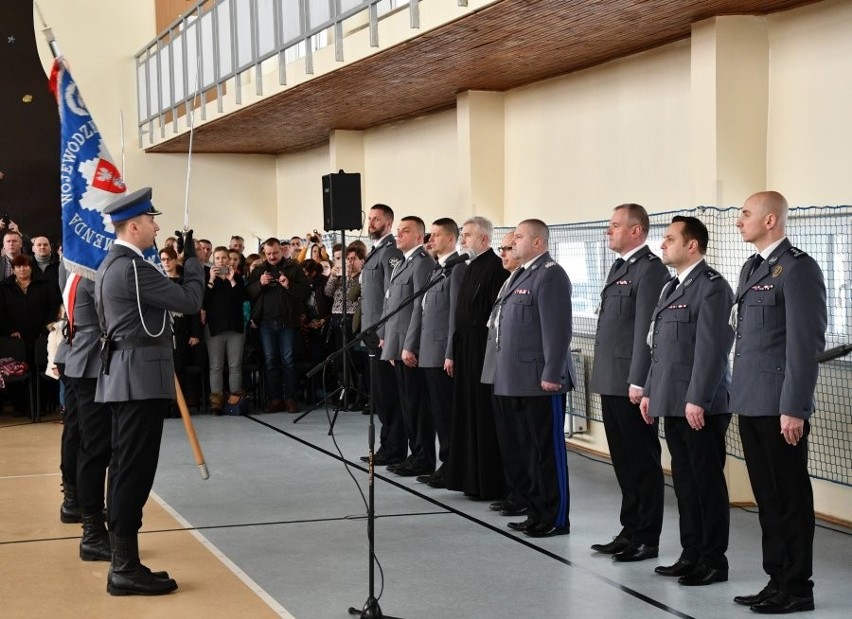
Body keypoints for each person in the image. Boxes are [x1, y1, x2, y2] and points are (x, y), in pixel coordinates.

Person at [95, 186, 204, 596]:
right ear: (135, 226)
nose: (157, 227)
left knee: (125, 468)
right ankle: (123, 567)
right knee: (133, 473)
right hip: (138, 379)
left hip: (126, 377)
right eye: (152, 221)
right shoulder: (133, 268)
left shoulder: (113, 263)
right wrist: (194, 261)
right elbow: (189, 301)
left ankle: (126, 562)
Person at [729, 191, 826, 614]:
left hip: (779, 404)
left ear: (771, 220)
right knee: (766, 498)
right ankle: (776, 578)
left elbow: (804, 345)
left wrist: (795, 407)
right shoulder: (752, 267)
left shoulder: (799, 269)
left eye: (746, 214)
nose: (739, 221)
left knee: (788, 498)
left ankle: (798, 587)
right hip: (750, 400)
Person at [640, 216, 734, 586]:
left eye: (669, 238)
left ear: (692, 245)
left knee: (706, 483)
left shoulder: (711, 287)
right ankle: (691, 552)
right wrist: (649, 389)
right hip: (672, 399)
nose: (662, 244)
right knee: (684, 481)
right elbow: (659, 347)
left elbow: (713, 350)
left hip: (701, 405)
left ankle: (713, 561)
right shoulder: (671, 288)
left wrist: (697, 398)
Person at [589, 203, 668, 561]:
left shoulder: (649, 271)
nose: (609, 231)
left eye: (615, 225)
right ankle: (629, 528)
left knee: (642, 461)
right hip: (611, 377)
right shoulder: (620, 268)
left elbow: (646, 333)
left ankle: (646, 537)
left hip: (631, 382)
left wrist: (639, 380)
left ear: (636, 231)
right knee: (622, 460)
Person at [493, 219, 574, 538]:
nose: (513, 243)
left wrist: (553, 371)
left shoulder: (551, 274)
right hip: (517, 379)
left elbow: (558, 330)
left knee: (547, 452)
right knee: (529, 450)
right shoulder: (523, 274)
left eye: (520, 237)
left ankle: (556, 517)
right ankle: (537, 511)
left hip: (542, 380)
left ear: (538, 242)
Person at [444, 217, 509, 500]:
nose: (462, 241)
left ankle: (488, 482)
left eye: (467, 236)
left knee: (483, 417)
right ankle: (469, 479)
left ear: (484, 240)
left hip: (483, 353)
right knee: (466, 416)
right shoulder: (467, 268)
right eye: (462, 235)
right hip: (465, 352)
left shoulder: (496, 268)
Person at [61, 264, 114, 562]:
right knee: (95, 448)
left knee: (90, 445)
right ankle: (92, 531)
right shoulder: (92, 277)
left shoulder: (78, 272)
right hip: (92, 363)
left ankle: (89, 517)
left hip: (84, 360)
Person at [381, 216, 435, 477]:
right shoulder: (402, 263)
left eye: (405, 231)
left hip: (409, 348)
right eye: (398, 231)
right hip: (397, 345)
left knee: (417, 405)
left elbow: (419, 307)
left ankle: (423, 457)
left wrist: (409, 347)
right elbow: (392, 306)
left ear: (418, 237)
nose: (398, 235)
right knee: (407, 404)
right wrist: (389, 343)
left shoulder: (422, 264)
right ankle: (415, 454)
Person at [358, 204, 406, 466]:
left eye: (376, 219)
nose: (371, 222)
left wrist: (387, 333)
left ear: (388, 223)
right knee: (380, 396)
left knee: (389, 397)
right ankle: (387, 446)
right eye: (370, 218)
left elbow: (393, 295)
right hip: (372, 334)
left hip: (384, 336)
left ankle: (394, 449)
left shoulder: (391, 253)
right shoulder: (375, 251)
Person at [482, 232, 525, 514]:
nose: (504, 253)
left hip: (523, 375)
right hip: (500, 369)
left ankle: (531, 501)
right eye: (503, 247)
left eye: (509, 247)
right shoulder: (510, 280)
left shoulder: (545, 276)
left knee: (525, 443)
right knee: (508, 440)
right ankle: (516, 494)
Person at [414, 218, 459, 488]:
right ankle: (445, 463)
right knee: (437, 413)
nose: (431, 239)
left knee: (446, 414)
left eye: (437, 235)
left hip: (443, 352)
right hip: (429, 350)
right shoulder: (438, 268)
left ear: (451, 239)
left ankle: (451, 464)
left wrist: (450, 352)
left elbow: (454, 315)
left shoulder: (457, 269)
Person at [245, 237, 310, 413]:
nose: (272, 256)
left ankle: (290, 399)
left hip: (288, 321)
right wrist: (260, 284)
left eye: (275, 253)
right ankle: (275, 399)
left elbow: (305, 293)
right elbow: (248, 293)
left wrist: (289, 284)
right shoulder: (258, 269)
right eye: (268, 254)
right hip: (265, 322)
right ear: (264, 253)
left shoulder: (294, 268)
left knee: (288, 360)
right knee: (270, 360)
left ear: (281, 250)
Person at [204, 246, 247, 414]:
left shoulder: (237, 278)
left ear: (229, 260)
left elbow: (243, 298)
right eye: (218, 258)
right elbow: (203, 301)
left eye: (224, 258)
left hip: (235, 327)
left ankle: (235, 401)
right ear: (214, 260)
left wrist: (232, 279)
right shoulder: (208, 278)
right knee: (216, 366)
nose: (221, 261)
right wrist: (211, 280)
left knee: (235, 366)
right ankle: (216, 402)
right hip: (215, 328)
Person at [325, 243, 366, 407]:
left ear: (362, 260)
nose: (350, 261)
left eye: (353, 258)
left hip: (352, 320)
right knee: (340, 360)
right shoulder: (340, 276)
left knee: (354, 359)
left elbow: (352, 297)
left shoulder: (362, 276)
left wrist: (349, 278)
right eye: (347, 258)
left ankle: (359, 395)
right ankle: (344, 395)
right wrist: (333, 276)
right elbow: (328, 293)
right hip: (336, 319)